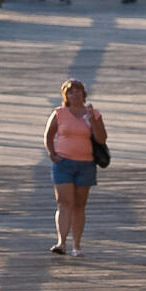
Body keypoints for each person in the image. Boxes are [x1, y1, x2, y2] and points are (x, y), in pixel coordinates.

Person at [44, 79, 107, 256]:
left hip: (86, 164)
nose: (75, 95)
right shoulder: (59, 113)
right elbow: (49, 135)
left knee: (79, 205)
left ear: (84, 94)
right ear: (66, 96)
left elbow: (102, 139)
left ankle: (76, 246)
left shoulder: (93, 113)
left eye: (78, 91)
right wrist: (52, 153)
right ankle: (61, 242)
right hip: (63, 163)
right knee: (64, 202)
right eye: (71, 92)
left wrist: (91, 119)